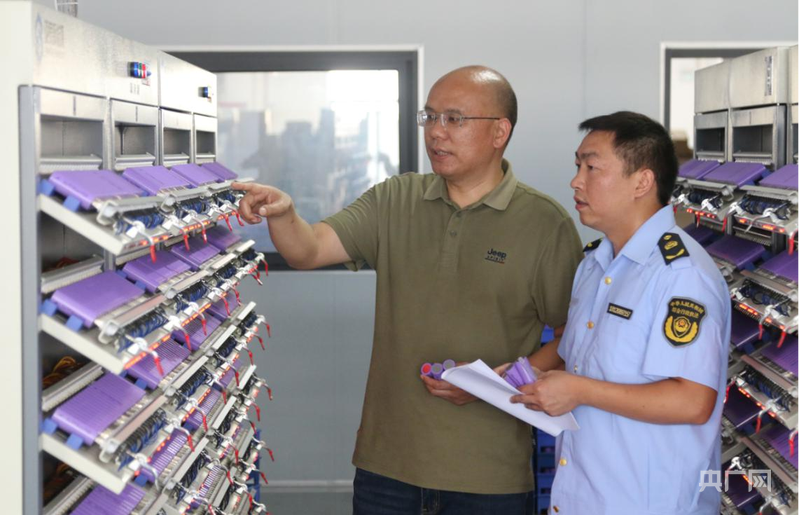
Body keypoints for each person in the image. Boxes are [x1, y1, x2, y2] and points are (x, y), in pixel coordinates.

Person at [233, 65, 583, 514]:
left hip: (488, 476)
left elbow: (573, 338)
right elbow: (309, 249)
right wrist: (283, 213)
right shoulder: (395, 200)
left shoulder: (544, 224)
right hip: (387, 469)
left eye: (454, 119)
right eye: (429, 117)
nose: (436, 132)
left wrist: (497, 384)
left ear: (500, 132)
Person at [511, 111, 730, 515]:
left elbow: (692, 400)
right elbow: (576, 350)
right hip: (585, 496)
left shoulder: (680, 275)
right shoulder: (595, 264)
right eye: (577, 166)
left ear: (642, 182)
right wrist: (516, 375)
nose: (576, 181)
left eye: (592, 168)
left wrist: (579, 390)